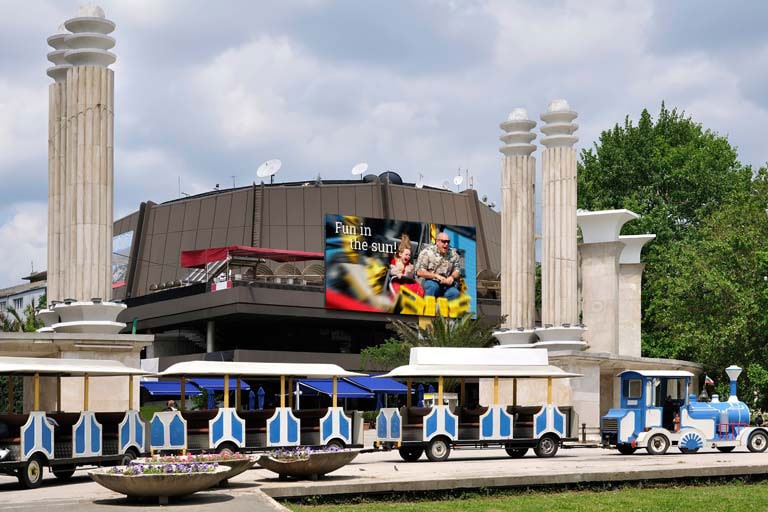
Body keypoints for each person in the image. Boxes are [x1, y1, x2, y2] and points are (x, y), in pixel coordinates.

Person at [415, 231, 461, 300]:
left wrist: (452, 277)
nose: (446, 244)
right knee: (432, 286)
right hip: (430, 281)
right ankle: (428, 308)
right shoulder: (427, 252)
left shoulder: (454, 254)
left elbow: (457, 270)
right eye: (444, 241)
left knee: (455, 293)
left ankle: (441, 309)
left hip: (446, 285)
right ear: (437, 242)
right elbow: (419, 271)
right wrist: (436, 276)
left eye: (448, 242)